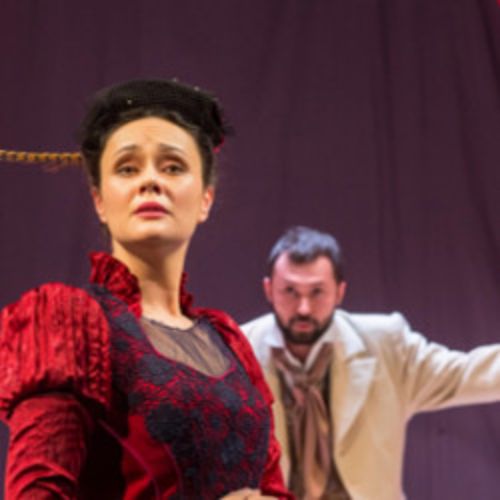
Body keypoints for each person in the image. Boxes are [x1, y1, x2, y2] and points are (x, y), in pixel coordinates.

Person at [0, 79, 292, 499]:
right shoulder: (70, 324)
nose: (150, 181)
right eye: (127, 168)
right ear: (99, 200)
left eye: (172, 167)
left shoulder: (228, 341)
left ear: (206, 198)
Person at [241, 226, 500, 500]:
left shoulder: (386, 345)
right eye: (290, 291)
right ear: (269, 289)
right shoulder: (235, 352)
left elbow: (466, 374)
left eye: (317, 292)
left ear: (339, 292)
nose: (303, 308)